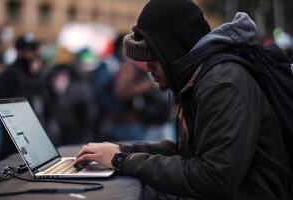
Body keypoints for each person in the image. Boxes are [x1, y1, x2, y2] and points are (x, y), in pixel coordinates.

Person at [75, 0, 290, 199]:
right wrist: (122, 151)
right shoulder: (202, 77)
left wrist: (122, 160)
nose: (147, 67)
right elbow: (187, 153)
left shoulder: (221, 82)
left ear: (172, 49)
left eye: (152, 55)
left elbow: (214, 177)